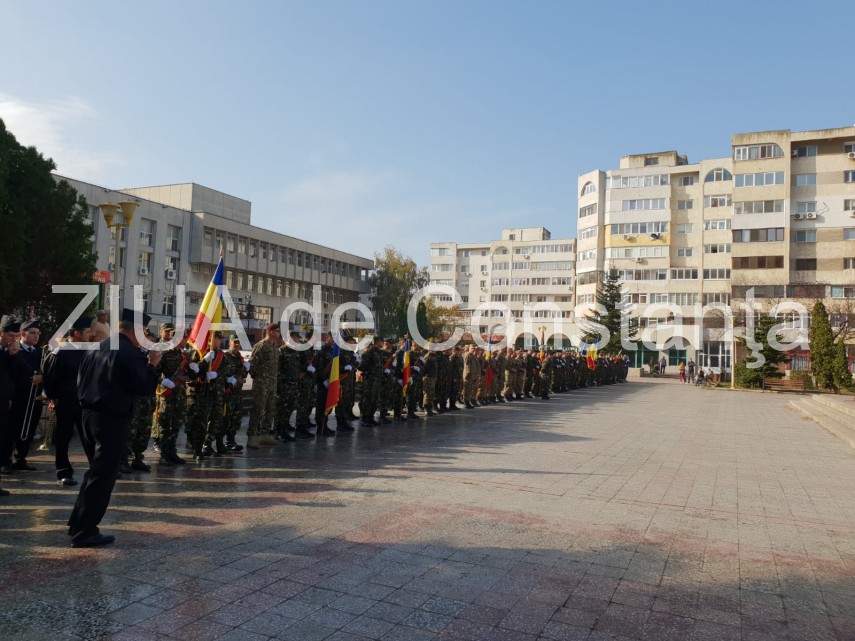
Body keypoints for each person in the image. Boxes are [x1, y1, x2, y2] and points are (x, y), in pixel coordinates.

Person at [67, 308, 160, 548]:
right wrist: (152, 365)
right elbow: (145, 388)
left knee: (94, 473)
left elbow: (81, 378)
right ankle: (85, 531)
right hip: (111, 419)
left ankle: (78, 522)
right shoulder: (131, 354)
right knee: (103, 476)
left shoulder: (98, 346)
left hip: (88, 414)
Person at [41, 317, 92, 486]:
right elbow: (49, 379)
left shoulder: (87, 351)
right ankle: (63, 471)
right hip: (66, 401)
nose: (91, 334)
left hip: (84, 402)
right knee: (63, 436)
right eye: (87, 331)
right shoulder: (59, 353)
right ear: (76, 333)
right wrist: (55, 398)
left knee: (89, 437)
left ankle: (96, 469)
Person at [246, 322, 280, 449]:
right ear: (270, 332)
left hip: (272, 383)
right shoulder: (260, 346)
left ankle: (264, 434)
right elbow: (252, 365)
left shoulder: (275, 346)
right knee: (257, 410)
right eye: (277, 331)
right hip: (261, 384)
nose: (278, 333)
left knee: (270, 409)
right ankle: (252, 437)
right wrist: (259, 379)